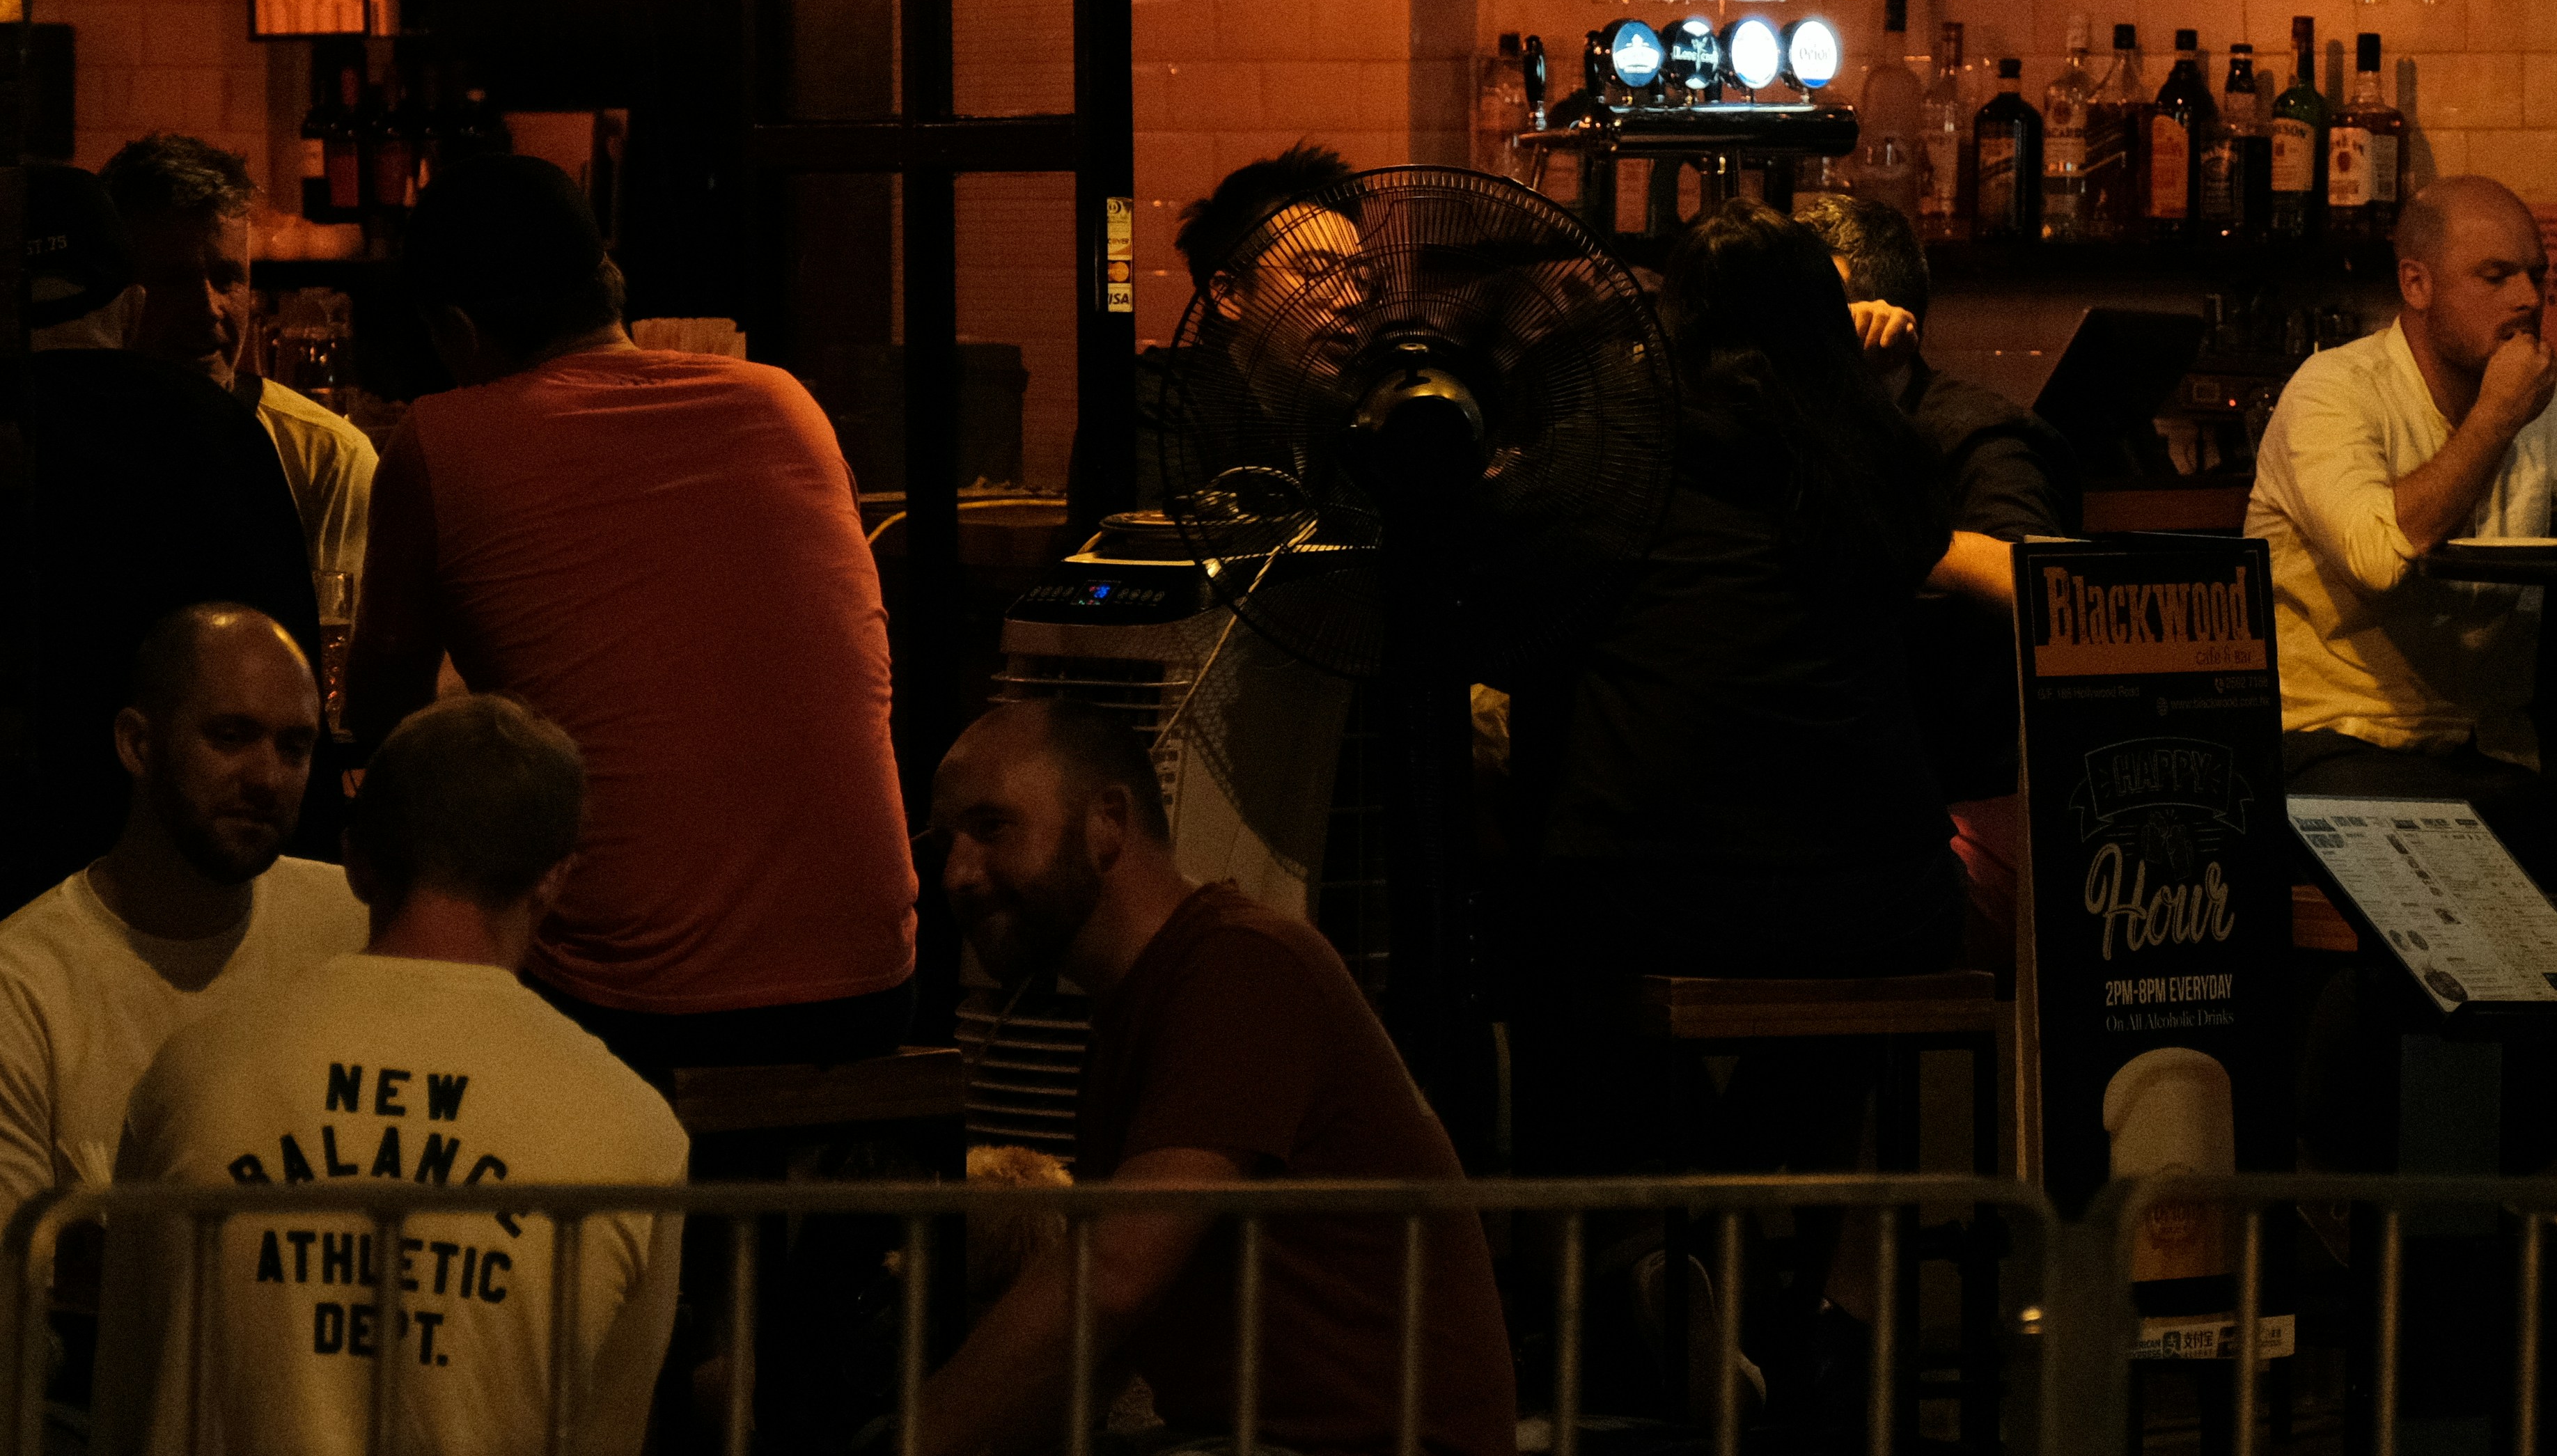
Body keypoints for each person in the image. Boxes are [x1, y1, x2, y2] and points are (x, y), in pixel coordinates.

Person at [347, 155, 915, 1077]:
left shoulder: (442, 441)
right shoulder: (783, 401)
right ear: (607, 283)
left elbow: (382, 716)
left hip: (636, 1011)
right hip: (873, 985)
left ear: (458, 330)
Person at [95, 694, 691, 1456]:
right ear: (552, 880)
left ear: (357, 861)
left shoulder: (194, 1073)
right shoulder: (633, 1130)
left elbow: (128, 1395)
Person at [918, 699, 1516, 1456]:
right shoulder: (1134, 1011)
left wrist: (914, 1437)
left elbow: (1116, 1273)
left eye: (992, 826)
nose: (957, 873)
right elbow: (1107, 1332)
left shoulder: (1241, 965)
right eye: (946, 843)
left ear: (1108, 822)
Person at [1498, 203, 1958, 1170]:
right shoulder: (1887, 463)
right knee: (1847, 971)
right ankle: (1760, 1215)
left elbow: (1513, 616)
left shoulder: (1616, 464)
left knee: (1531, 919)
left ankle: (1672, 1208)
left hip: (1660, 886)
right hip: (1884, 894)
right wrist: (1861, 386)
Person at [0, 604, 364, 1247]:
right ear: (137, 745)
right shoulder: (2, 1001)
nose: (268, 777)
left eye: (294, 747)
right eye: (230, 736)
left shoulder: (358, 926)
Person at [2242, 174, 2557, 845]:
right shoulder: (2333, 391)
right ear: (2417, 284)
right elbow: (2378, 558)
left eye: (2537, 275)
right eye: (2495, 276)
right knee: (2458, 855)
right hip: (2332, 739)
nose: (2528, 298)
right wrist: (2496, 416)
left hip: (2491, 745)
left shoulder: (2546, 402)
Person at [1790, 191, 2081, 964]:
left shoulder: (1976, 434)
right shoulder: (1784, 430)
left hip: (1960, 794)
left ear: (1875, 315)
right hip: (1845, 791)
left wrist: (1909, 542)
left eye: (1805, 304)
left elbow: (2051, 588)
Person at [23, 166, 318, 885]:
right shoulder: (221, 434)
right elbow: (284, 668)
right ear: (131, 307)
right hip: (171, 845)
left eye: (228, 277)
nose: (208, 307)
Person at [101, 132, 380, 623]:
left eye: (228, 278)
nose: (208, 308)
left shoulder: (327, 459)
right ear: (115, 289)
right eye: (175, 280)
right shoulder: (75, 443)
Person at [1129, 142, 1366, 515]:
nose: (1352, 299)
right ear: (1230, 295)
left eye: (1360, 279)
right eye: (1316, 271)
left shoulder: (1355, 417)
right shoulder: (1159, 401)